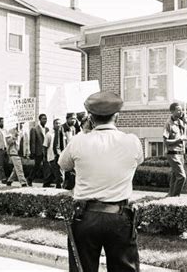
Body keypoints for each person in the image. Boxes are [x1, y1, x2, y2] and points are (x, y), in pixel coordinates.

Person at [58, 92, 143, 272]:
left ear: (90, 117)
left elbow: (63, 165)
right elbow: (138, 160)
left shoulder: (79, 141)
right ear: (117, 116)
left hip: (85, 216)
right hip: (119, 216)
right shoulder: (131, 141)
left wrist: (85, 133)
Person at [163, 103, 187, 197]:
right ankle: (175, 197)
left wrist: (186, 119)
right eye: (178, 110)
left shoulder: (180, 122)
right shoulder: (168, 124)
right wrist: (179, 140)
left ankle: (170, 196)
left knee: (174, 178)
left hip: (180, 154)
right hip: (172, 154)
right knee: (182, 177)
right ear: (172, 111)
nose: (181, 111)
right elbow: (165, 141)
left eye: (181, 110)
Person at [27, 114, 49, 186]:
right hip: (38, 151)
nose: (45, 120)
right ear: (40, 120)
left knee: (46, 166)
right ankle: (30, 178)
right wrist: (32, 152)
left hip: (46, 151)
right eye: (43, 119)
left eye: (45, 119)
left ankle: (46, 182)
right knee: (37, 166)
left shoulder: (47, 129)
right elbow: (32, 142)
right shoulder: (34, 129)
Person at [42, 118, 64, 188]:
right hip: (51, 156)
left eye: (59, 123)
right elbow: (45, 146)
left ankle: (50, 185)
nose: (58, 125)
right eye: (56, 123)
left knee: (55, 173)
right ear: (53, 124)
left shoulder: (61, 133)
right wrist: (45, 156)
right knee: (56, 173)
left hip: (60, 156)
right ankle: (58, 185)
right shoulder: (49, 134)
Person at [62, 113, 78, 190]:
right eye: (72, 118)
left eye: (75, 119)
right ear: (67, 119)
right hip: (64, 153)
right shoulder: (62, 128)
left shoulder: (73, 128)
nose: (74, 120)